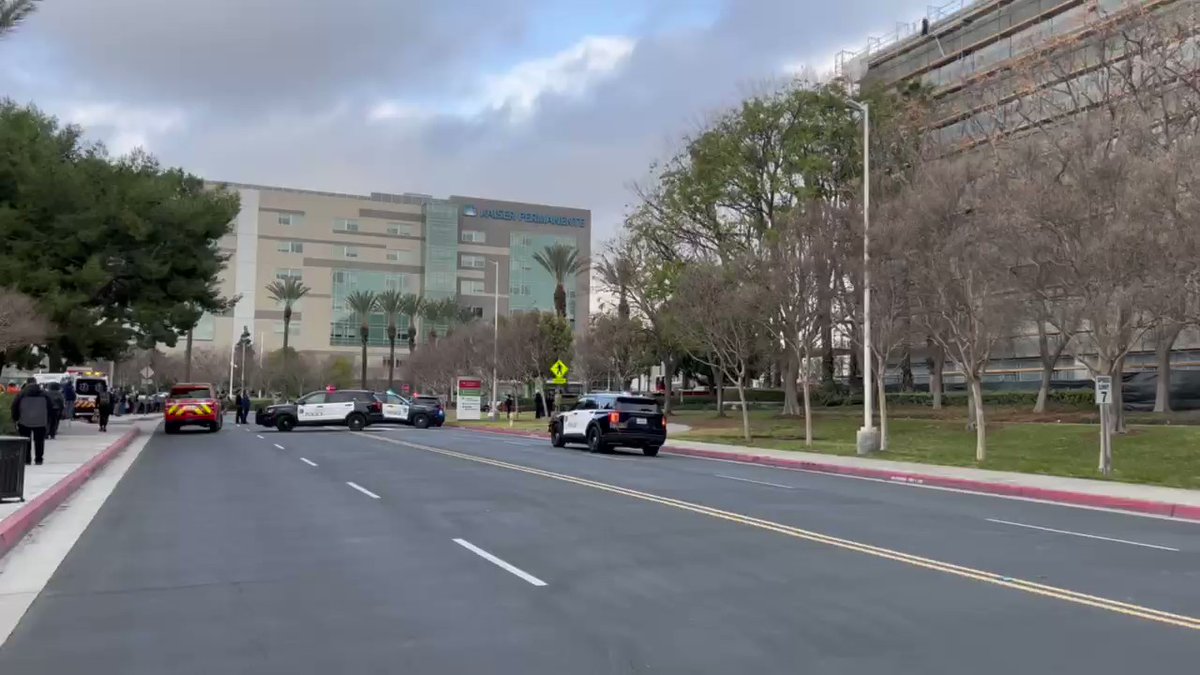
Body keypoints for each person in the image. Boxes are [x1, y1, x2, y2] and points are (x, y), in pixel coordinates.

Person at [12, 378, 50, 465]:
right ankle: (39, 459)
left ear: (27, 383)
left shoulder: (21, 394)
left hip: (24, 420)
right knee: (39, 441)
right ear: (36, 383)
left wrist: (15, 418)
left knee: (26, 441)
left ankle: (27, 459)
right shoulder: (44, 394)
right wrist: (48, 419)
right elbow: (50, 407)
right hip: (40, 420)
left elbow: (15, 406)